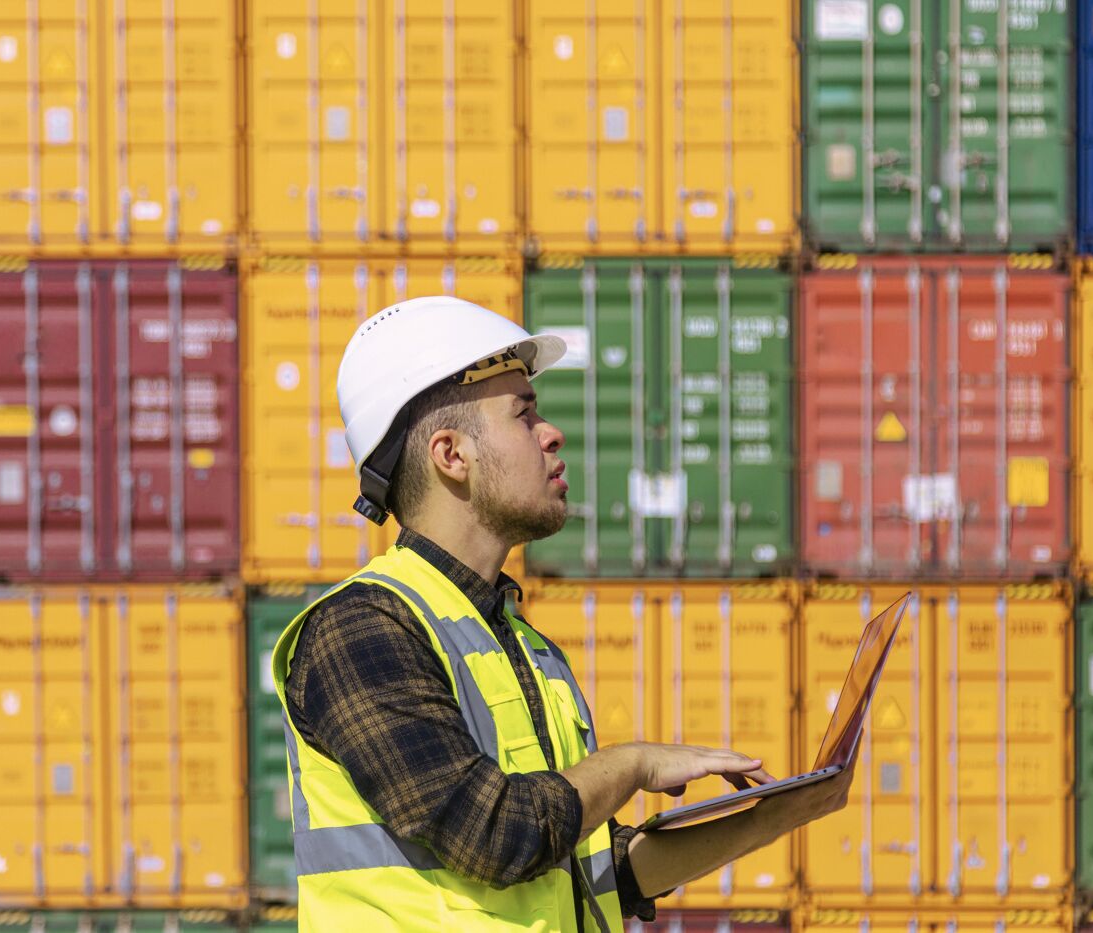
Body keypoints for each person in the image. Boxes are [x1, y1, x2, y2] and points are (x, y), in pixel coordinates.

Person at [270, 296, 854, 931]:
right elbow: (495, 835)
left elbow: (591, 874)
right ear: (451, 456)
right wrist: (634, 763)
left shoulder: (520, 643)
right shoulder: (361, 630)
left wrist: (781, 812)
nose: (552, 433)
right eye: (524, 416)